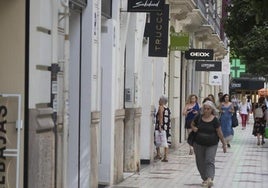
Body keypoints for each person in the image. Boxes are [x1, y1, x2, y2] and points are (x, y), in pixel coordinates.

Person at [191, 101, 227, 187]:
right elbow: (192, 124)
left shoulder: (215, 120)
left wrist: (224, 144)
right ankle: (205, 178)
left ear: (212, 110)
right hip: (198, 143)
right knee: (200, 162)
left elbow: (219, 132)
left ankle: (210, 178)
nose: (206, 110)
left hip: (212, 144)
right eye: (205, 108)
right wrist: (194, 128)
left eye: (208, 109)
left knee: (209, 160)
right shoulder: (199, 117)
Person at [154, 96, 171, 162]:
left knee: (157, 139)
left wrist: (160, 126)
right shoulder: (167, 108)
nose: (158, 101)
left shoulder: (161, 107)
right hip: (167, 126)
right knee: (165, 141)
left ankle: (159, 154)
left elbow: (160, 116)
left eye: (159, 100)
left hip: (161, 126)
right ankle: (166, 156)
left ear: (162, 101)